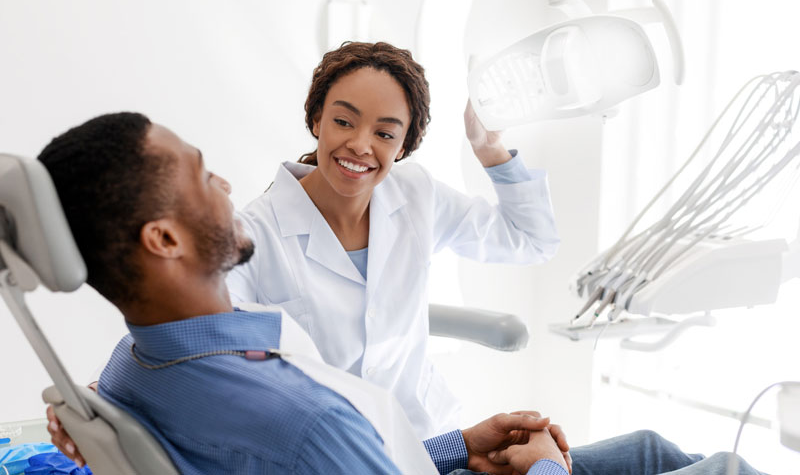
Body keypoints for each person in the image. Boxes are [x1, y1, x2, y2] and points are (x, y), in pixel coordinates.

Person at [40, 113, 764, 475]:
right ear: (164, 241)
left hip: (402, 451)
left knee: (648, 446)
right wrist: (544, 463)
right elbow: (324, 439)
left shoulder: (134, 364)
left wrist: (458, 444)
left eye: (388, 129)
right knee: (726, 466)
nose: (224, 184)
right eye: (202, 176)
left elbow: (527, 238)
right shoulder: (304, 420)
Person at [226, 41, 561, 439]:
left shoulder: (414, 193)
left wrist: (488, 147)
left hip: (436, 437)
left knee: (641, 450)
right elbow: (221, 363)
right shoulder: (252, 234)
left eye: (384, 133)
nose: (361, 145)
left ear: (403, 146)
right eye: (344, 122)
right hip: (340, 453)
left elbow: (531, 239)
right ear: (317, 120)